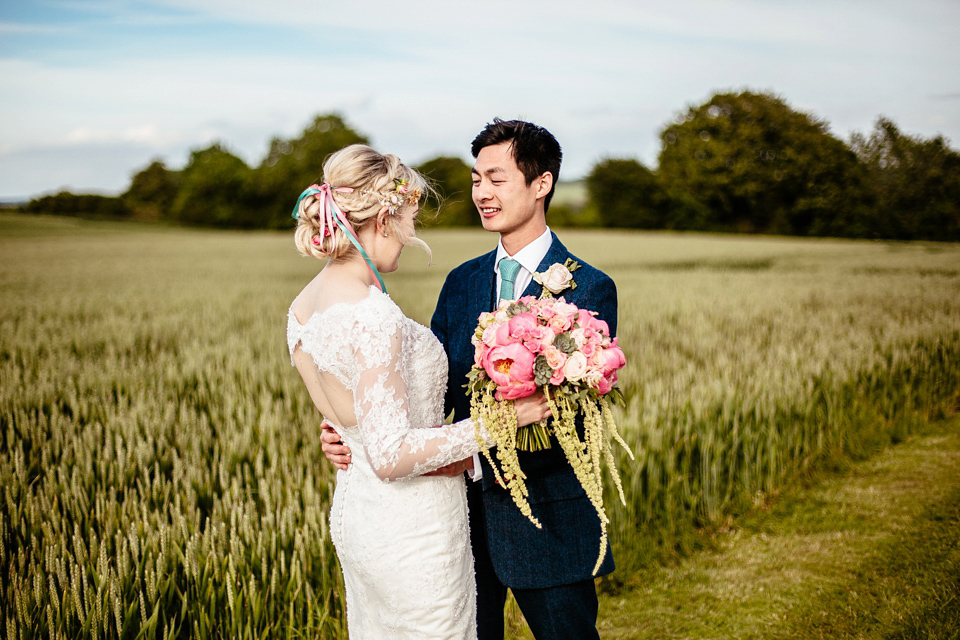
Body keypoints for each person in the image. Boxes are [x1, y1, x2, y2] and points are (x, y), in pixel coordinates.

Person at [322, 121, 619, 639]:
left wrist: (469, 452)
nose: (481, 192)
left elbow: (567, 410)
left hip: (548, 517)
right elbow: (429, 393)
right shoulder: (461, 281)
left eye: (496, 179)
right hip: (453, 521)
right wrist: (354, 424)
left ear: (542, 183)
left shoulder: (588, 285)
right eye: (476, 178)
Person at [286, 143, 551, 639]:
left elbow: (359, 415)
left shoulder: (302, 305)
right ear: (383, 220)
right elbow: (389, 453)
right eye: (409, 220)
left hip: (361, 516)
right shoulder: (372, 314)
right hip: (413, 528)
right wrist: (504, 420)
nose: (410, 237)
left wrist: (342, 431)